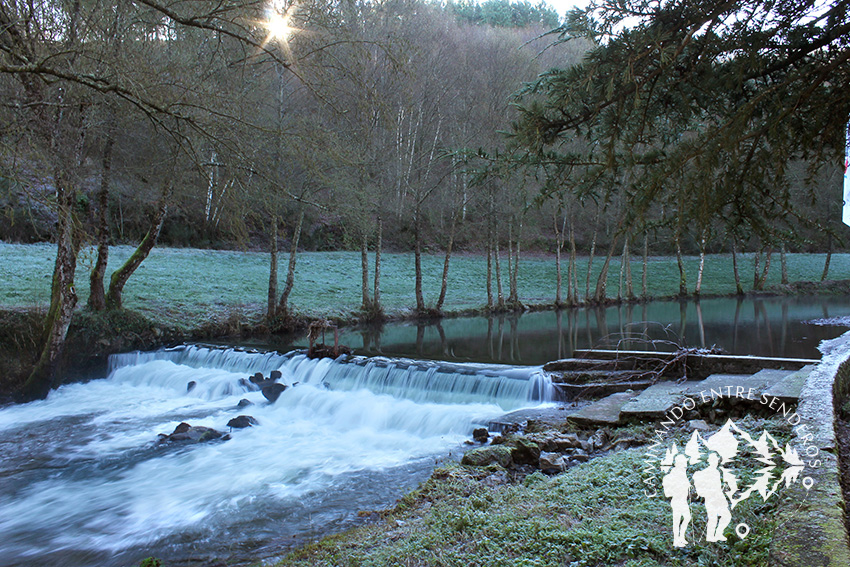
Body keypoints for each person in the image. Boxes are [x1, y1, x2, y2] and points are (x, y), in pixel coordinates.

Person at [693, 452, 732, 542]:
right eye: (713, 460)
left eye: (716, 460)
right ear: (709, 461)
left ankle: (718, 534)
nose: (715, 462)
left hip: (718, 497)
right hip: (711, 498)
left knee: (726, 516)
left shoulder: (717, 472)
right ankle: (710, 537)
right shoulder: (706, 472)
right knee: (713, 518)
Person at [662, 453, 691, 547]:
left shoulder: (682, 472)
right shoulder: (675, 473)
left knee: (687, 518)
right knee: (677, 520)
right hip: (677, 500)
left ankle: (681, 537)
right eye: (684, 462)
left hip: (683, 500)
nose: (686, 464)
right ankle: (676, 540)